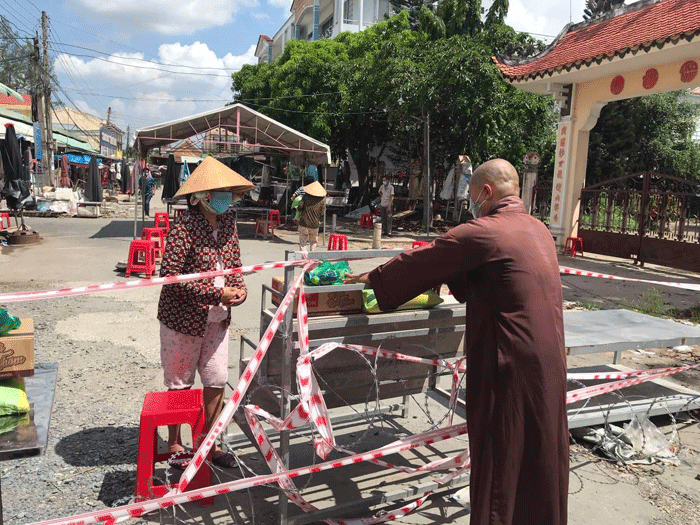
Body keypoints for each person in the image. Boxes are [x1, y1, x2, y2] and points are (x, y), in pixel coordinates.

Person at [344, 159, 568, 525]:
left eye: (473, 192)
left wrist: (370, 278)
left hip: (508, 362)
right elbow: (478, 277)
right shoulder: (538, 228)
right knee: (540, 453)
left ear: (487, 192)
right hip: (548, 359)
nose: (471, 199)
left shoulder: (484, 231)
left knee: (501, 455)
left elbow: (423, 262)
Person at [157, 156, 254, 470]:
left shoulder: (227, 223)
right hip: (182, 321)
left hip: (217, 320)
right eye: (219, 191)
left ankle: (208, 444)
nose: (226, 196)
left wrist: (238, 289)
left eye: (229, 191)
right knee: (180, 384)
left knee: (215, 380)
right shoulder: (183, 226)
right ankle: (175, 442)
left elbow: (234, 265)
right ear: (201, 196)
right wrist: (216, 293)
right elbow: (171, 278)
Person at [297, 180, 326, 252]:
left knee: (303, 242)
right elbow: (322, 213)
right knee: (313, 242)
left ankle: (304, 258)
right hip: (315, 224)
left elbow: (300, 207)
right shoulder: (322, 199)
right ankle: (312, 255)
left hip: (304, 223)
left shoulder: (306, 196)